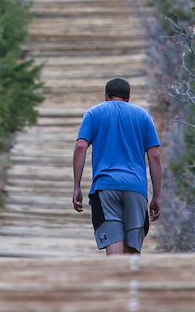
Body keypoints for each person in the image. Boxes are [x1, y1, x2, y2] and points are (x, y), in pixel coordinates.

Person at [72, 77, 162, 256]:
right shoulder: (143, 116)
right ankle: (131, 283)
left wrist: (77, 186)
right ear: (129, 98)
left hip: (105, 188)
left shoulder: (93, 113)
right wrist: (157, 196)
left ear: (106, 96)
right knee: (132, 252)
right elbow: (154, 157)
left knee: (114, 246)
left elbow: (80, 147)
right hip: (135, 189)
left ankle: (116, 282)